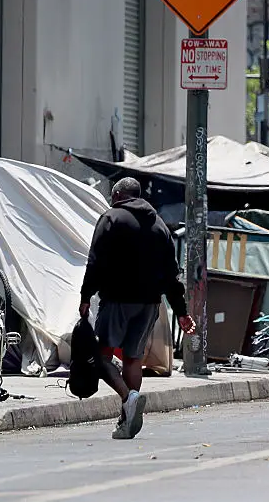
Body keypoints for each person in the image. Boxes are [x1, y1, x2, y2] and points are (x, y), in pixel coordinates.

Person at [79, 177, 196, 440]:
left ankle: (128, 396)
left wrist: (85, 296)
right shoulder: (159, 225)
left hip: (118, 300)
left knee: (101, 356)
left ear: (119, 195)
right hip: (150, 304)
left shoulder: (111, 218)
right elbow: (171, 275)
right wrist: (181, 312)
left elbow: (94, 263)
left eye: (112, 195)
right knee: (133, 358)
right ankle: (126, 419)